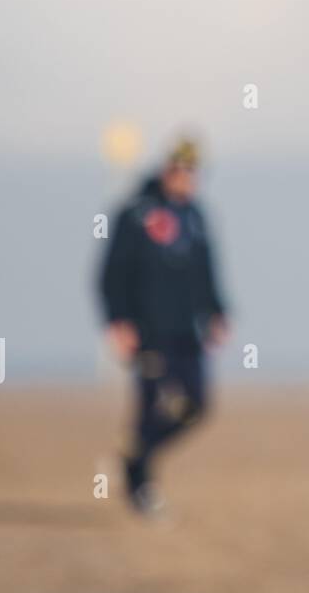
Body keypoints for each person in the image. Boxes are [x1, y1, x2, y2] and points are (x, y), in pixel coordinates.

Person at [98, 138, 229, 513]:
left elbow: (206, 272)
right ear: (165, 169)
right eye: (179, 169)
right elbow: (111, 273)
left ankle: (134, 457)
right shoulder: (135, 213)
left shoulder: (196, 216)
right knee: (150, 405)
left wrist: (216, 312)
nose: (186, 177)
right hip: (148, 331)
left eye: (193, 171)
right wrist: (118, 321)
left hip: (187, 332)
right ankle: (141, 487)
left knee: (196, 405)